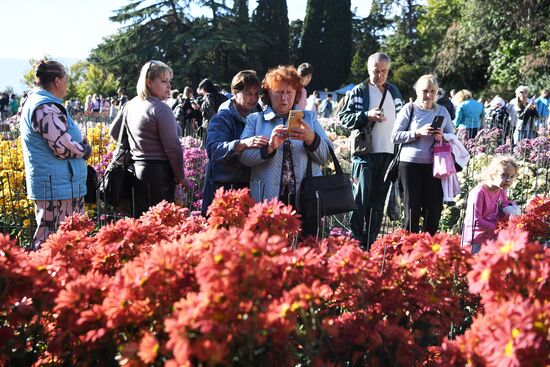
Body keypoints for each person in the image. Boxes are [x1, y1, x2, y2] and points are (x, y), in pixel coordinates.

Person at [239, 65, 331, 237]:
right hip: (267, 201)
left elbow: (326, 156)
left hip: (304, 199)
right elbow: (244, 157)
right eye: (279, 92)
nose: (284, 98)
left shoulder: (308, 118)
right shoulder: (255, 120)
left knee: (303, 250)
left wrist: (311, 139)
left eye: (289, 92)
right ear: (268, 94)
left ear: (296, 95)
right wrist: (270, 147)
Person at [20, 60, 92, 250]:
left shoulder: (39, 102)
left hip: (60, 185)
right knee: (53, 244)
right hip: (57, 188)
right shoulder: (45, 107)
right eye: (66, 81)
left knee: (69, 243)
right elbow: (60, 145)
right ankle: (43, 279)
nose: (67, 86)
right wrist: (83, 150)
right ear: (58, 81)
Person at [339, 52, 403, 249]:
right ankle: (355, 242)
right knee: (360, 199)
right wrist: (367, 115)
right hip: (365, 153)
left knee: (378, 202)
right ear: (369, 70)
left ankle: (371, 242)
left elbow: (402, 119)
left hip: (388, 154)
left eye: (384, 71)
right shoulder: (359, 91)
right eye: (376, 71)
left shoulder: (394, 92)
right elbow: (344, 118)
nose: (380, 75)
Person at [110, 60, 189, 218]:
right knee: (159, 226)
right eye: (164, 81)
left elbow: (114, 132)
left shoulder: (130, 105)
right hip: (159, 176)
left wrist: (138, 145)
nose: (169, 86)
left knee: (141, 226)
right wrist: (181, 177)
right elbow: (173, 147)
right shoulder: (160, 109)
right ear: (149, 82)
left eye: (169, 81)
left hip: (136, 172)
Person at [391, 74, 454, 235]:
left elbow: (453, 137)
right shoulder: (409, 109)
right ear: (417, 91)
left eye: (433, 91)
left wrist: (442, 136)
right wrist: (417, 133)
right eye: (425, 91)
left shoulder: (442, 111)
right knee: (411, 210)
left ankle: (429, 250)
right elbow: (395, 136)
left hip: (436, 166)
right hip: (410, 165)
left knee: (433, 210)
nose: (429, 95)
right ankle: (409, 248)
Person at [201, 70, 268, 215]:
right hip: (225, 189)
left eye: (256, 94)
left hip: (250, 187)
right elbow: (213, 150)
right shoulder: (222, 118)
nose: (253, 98)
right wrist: (242, 144)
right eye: (248, 93)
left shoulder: (258, 114)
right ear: (234, 92)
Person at [462, 156, 518, 254]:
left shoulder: (501, 192)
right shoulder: (479, 193)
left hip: (491, 238)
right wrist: (497, 227)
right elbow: (476, 220)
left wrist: (512, 211)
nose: (508, 180)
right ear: (492, 175)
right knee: (472, 266)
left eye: (512, 176)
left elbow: (503, 210)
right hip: (475, 239)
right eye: (504, 175)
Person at [197, 78, 228, 144]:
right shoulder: (222, 96)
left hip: (210, 125)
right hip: (223, 124)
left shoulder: (209, 96)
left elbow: (211, 111)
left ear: (204, 88)